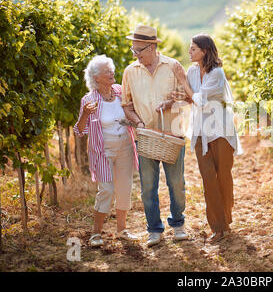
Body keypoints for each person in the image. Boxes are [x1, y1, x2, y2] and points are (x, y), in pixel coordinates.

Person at [121, 24, 189, 246]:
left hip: (172, 136)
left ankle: (178, 223)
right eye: (133, 50)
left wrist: (171, 102)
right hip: (146, 138)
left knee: (176, 184)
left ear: (151, 47)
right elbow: (127, 104)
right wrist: (138, 123)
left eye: (139, 50)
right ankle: (154, 229)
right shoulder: (130, 71)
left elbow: (188, 96)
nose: (135, 55)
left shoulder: (173, 66)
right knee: (148, 187)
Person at [172, 34, 243, 243]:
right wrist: (179, 97)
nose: (189, 52)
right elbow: (192, 96)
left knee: (223, 177)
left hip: (220, 131)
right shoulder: (193, 71)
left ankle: (226, 220)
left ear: (204, 51)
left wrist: (183, 82)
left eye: (193, 49)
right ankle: (218, 227)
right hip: (201, 132)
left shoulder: (217, 73)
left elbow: (201, 99)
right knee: (208, 178)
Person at [74, 55, 139, 247]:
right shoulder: (89, 100)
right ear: (96, 78)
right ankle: (96, 233)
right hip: (104, 151)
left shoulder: (119, 91)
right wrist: (85, 114)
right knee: (107, 190)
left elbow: (131, 112)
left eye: (111, 69)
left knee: (124, 188)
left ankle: (122, 230)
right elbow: (79, 131)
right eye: (106, 71)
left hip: (125, 147)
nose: (111, 73)